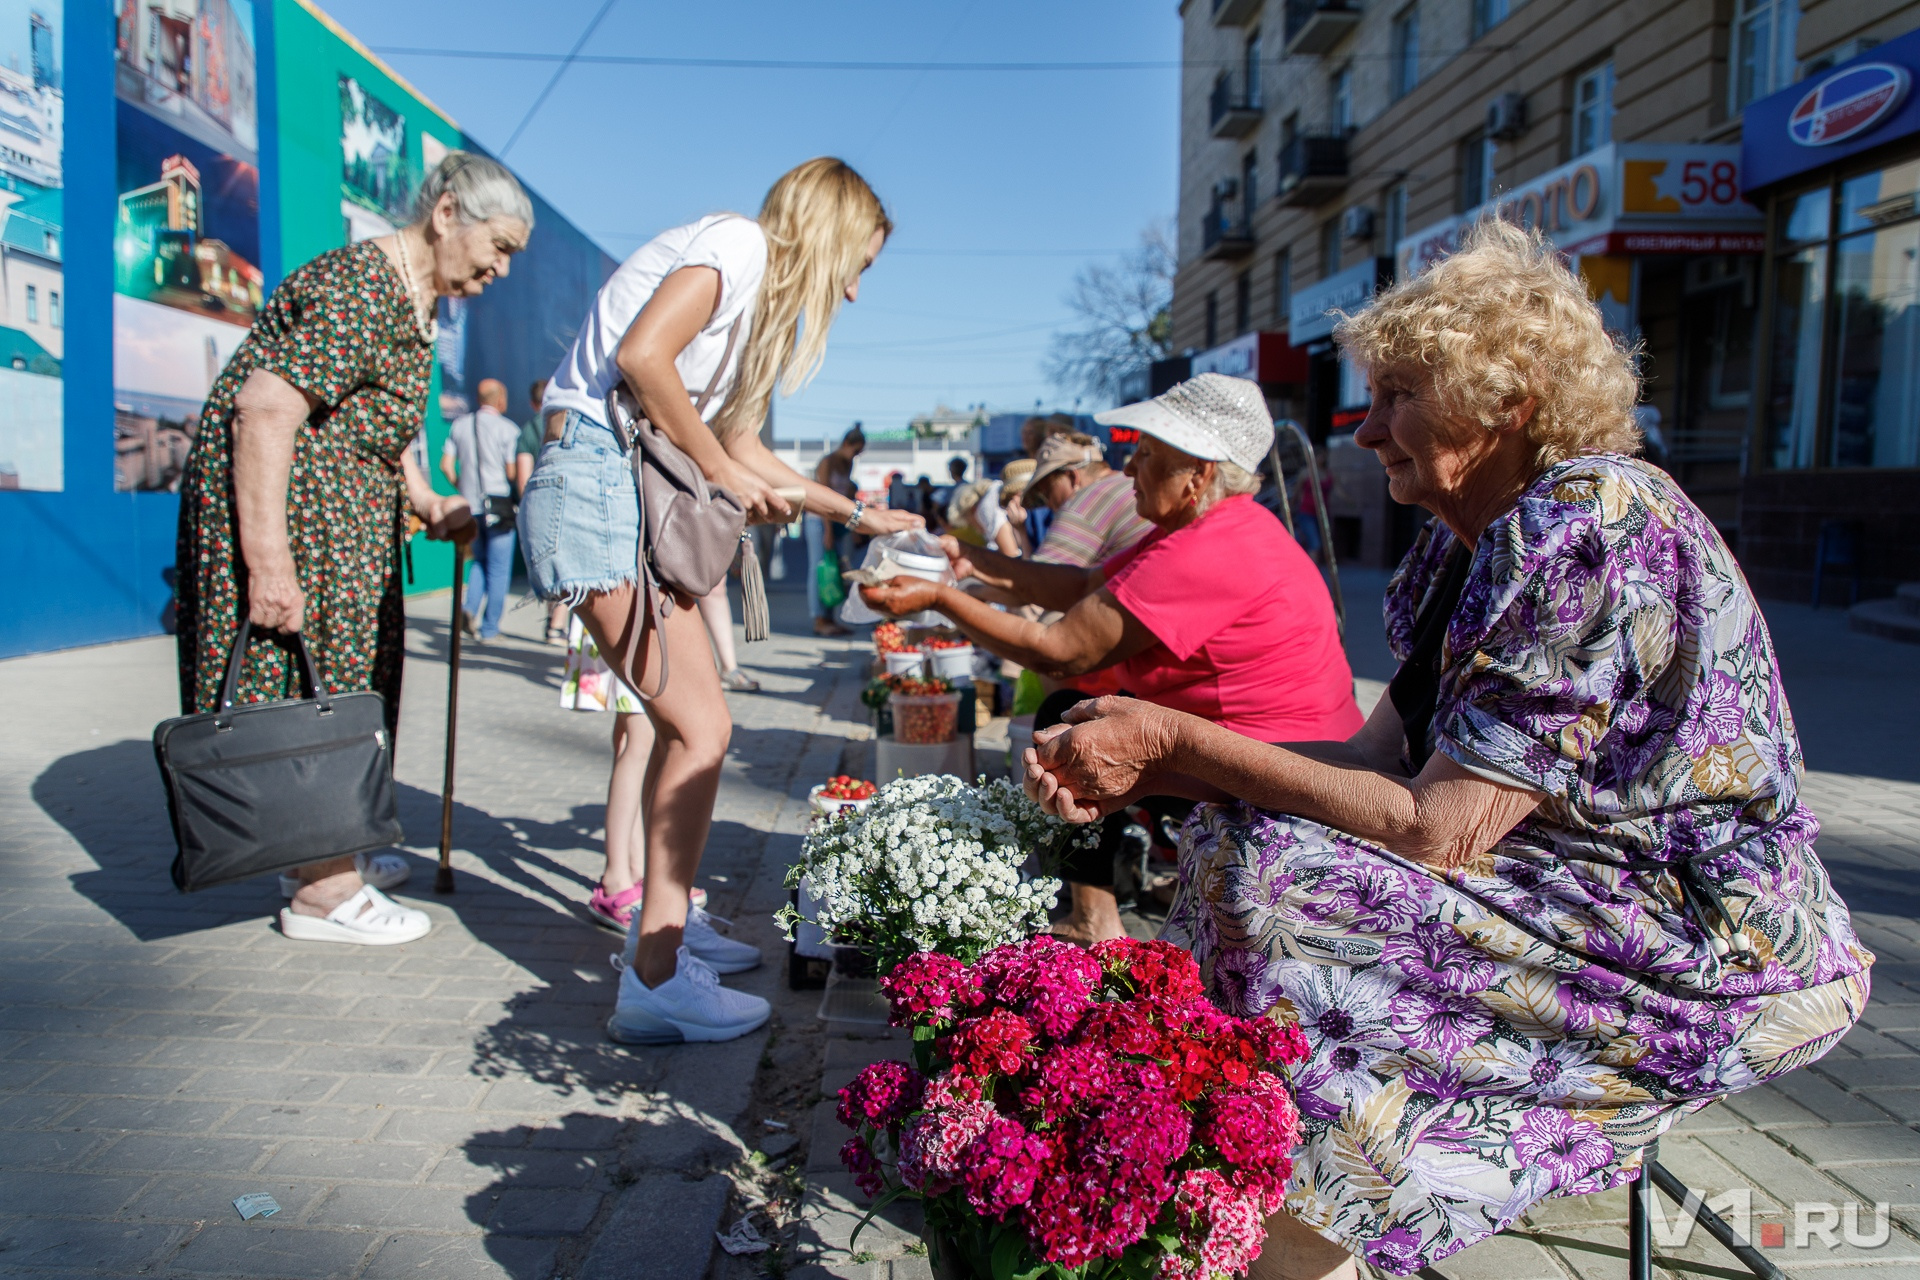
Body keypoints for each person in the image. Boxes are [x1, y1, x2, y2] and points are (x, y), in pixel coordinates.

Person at [1021, 222, 1873, 1280]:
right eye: (1370, 396)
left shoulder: (1589, 523)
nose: (1368, 425)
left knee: (1275, 873)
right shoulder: (1463, 541)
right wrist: (1156, 771)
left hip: (1707, 941)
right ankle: (1252, 1182)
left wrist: (1174, 733)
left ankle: (1293, 1200)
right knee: (1232, 832)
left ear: (1507, 398)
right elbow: (1375, 760)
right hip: (1579, 887)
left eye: (1399, 395)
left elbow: (1439, 827)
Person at [523, 157, 921, 1045]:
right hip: (596, 484)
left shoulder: (749, 309)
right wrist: (722, 470)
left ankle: (663, 929)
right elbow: (642, 359)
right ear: (826, 234)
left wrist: (850, 511)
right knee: (701, 727)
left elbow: (740, 443)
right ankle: (655, 975)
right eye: (858, 264)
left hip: (618, 491)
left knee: (687, 726)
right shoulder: (741, 244)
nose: (853, 293)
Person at [863, 374, 1360, 946]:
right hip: (1268, 744)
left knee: (1071, 718)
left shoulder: (1213, 546)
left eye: (1146, 455)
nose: (1127, 470)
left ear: (1196, 476)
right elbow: (1082, 584)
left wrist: (939, 598)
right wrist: (969, 560)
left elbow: (1059, 650)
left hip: (1279, 765)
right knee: (1083, 708)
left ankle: (1094, 917)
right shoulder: (1203, 526)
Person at [175, 151, 529, 945]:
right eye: (498, 246)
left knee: (346, 676)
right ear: (446, 215)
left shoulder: (417, 299)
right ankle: (324, 893)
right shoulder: (360, 283)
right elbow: (264, 411)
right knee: (309, 674)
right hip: (297, 512)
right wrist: (268, 565)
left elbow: (382, 427)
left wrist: (428, 499)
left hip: (346, 512)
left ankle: (323, 848)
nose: (501, 268)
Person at [443, 378, 522, 642]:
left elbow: (446, 465)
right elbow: (512, 471)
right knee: (499, 568)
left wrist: (462, 486)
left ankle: (469, 609)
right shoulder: (507, 429)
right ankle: (489, 629)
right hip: (498, 505)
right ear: (500, 399)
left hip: (470, 506)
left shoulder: (459, 426)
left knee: (479, 561)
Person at [516, 377, 569, 645]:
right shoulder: (569, 423)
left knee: (552, 569)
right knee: (566, 570)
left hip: (540, 507)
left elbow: (522, 477)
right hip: (567, 505)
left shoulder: (528, 430)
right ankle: (556, 626)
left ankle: (553, 622)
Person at [806, 424, 865, 637]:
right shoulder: (827, 462)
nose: (856, 456)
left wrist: (854, 526)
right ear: (847, 444)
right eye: (856, 450)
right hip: (819, 521)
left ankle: (830, 617)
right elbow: (823, 496)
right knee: (819, 568)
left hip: (837, 523)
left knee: (835, 570)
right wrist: (827, 531)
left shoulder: (847, 465)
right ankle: (819, 618)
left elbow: (846, 498)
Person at [945, 476, 1021, 556]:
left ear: (971, 510)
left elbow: (1010, 554)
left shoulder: (985, 508)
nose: (977, 530)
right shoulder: (994, 491)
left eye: (970, 523)